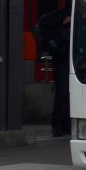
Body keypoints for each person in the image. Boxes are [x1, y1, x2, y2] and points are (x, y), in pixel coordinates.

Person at [35, 7, 71, 137]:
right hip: (62, 57)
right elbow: (43, 22)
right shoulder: (63, 14)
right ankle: (58, 124)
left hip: (72, 59)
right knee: (63, 91)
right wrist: (64, 20)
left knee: (68, 92)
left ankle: (66, 123)